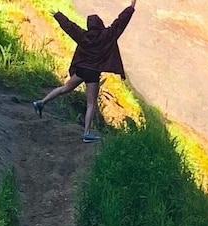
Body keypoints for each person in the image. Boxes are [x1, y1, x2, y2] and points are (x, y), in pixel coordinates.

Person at [33, 0, 137, 143]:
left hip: (81, 70)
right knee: (91, 104)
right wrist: (131, 7)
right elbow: (120, 22)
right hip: (93, 73)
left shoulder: (83, 36)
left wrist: (58, 15)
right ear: (100, 24)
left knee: (64, 88)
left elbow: (70, 27)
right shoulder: (107, 35)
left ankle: (41, 102)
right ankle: (87, 133)